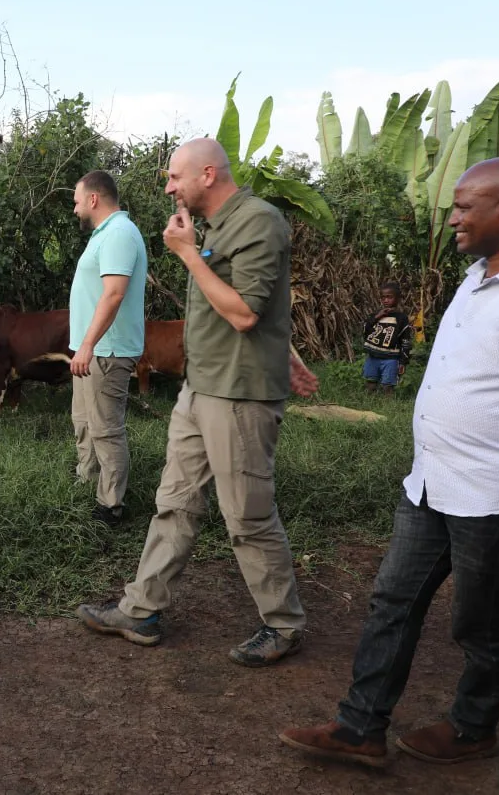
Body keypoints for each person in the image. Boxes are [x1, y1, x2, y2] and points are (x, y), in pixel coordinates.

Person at [280, 156, 499, 766]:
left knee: (480, 625)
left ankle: (473, 727)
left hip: (497, 497)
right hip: (430, 484)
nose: (452, 217)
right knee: (391, 602)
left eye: (464, 206)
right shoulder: (474, 277)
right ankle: (361, 729)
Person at [76, 138, 320, 667]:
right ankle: (142, 609)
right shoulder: (210, 228)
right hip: (201, 387)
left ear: (207, 174)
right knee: (175, 501)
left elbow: (247, 313)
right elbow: (254, 303)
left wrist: (187, 255)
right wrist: (290, 350)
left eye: (173, 178)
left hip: (239, 394)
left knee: (247, 516)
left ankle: (283, 624)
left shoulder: (259, 221)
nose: (167, 187)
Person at [68, 169, 148, 526]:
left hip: (107, 350)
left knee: (106, 428)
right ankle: (86, 480)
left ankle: (111, 505)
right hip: (90, 350)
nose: (75, 210)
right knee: (84, 422)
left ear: (93, 199)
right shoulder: (105, 234)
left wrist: (88, 344)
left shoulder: (118, 234)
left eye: (76, 201)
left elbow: (114, 293)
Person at [361, 282, 413, 396]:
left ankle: (388, 406)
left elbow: (405, 341)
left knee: (388, 385)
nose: (386, 300)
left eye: (389, 297)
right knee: (370, 382)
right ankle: (369, 402)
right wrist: (376, 317)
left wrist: (403, 361)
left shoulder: (401, 318)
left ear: (398, 299)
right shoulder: (376, 315)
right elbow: (365, 330)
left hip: (391, 359)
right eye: (383, 297)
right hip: (372, 357)